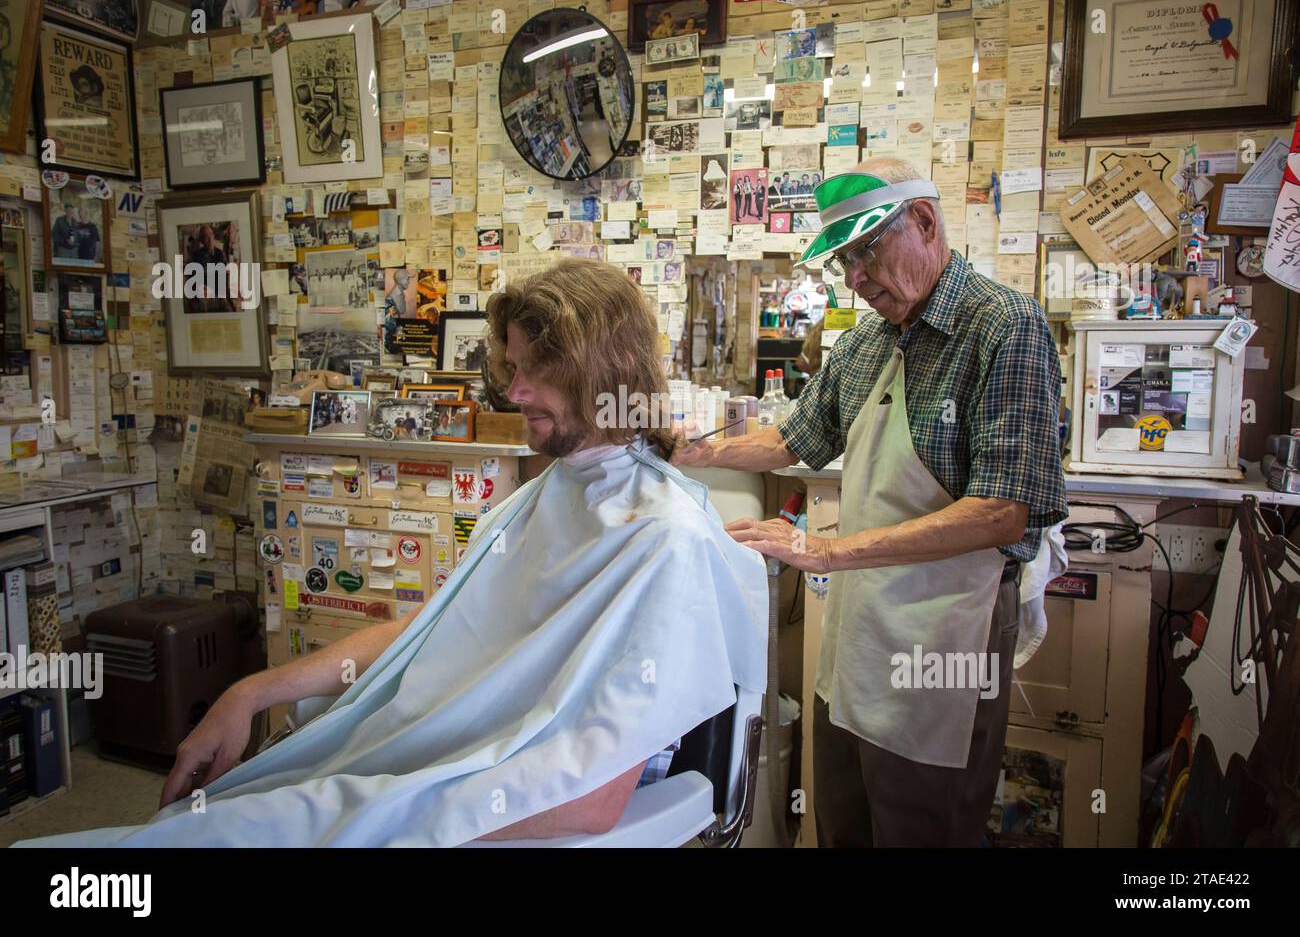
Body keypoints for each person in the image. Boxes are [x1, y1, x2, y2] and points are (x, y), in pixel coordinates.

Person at [16, 259, 765, 848]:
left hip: (502, 791)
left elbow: (590, 796)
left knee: (266, 821)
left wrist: (380, 810)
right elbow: (435, 631)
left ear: (607, 367)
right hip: (449, 753)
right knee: (234, 809)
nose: (517, 391)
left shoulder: (662, 540)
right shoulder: (545, 498)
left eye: (538, 371)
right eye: (512, 368)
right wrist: (255, 691)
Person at [674, 157, 1067, 848]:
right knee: (845, 817)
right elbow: (793, 436)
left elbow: (1003, 512)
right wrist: (696, 451)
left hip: (950, 631)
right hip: (861, 627)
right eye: (843, 260)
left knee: (926, 823)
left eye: (866, 251)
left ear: (923, 222)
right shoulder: (862, 345)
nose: (854, 277)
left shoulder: (1003, 327)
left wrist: (824, 550)